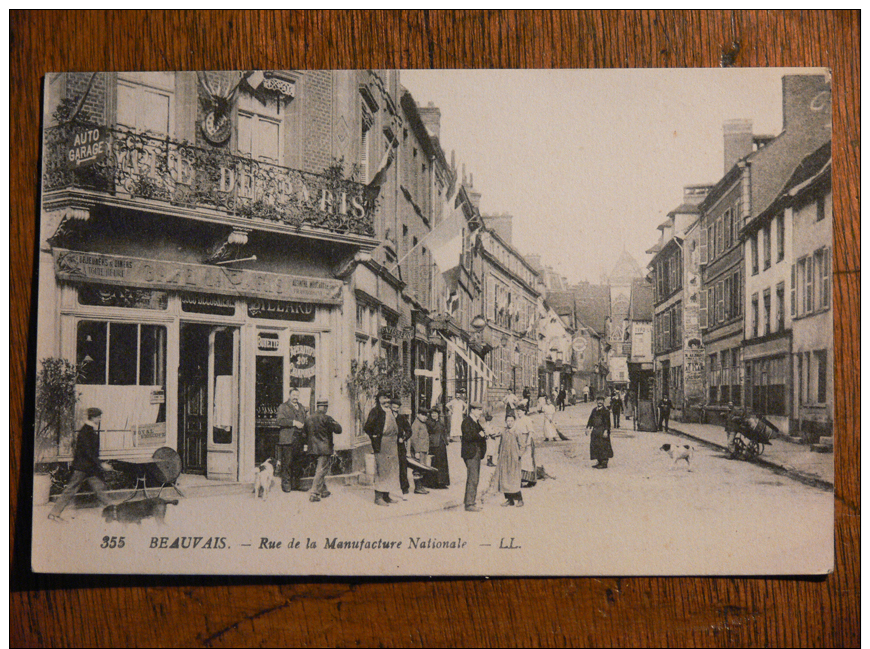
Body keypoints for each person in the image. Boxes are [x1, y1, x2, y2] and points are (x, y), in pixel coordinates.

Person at [48, 407, 115, 521]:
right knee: (71, 489)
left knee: (99, 488)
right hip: (83, 467)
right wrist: (101, 464)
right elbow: (88, 452)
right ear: (93, 417)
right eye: (98, 417)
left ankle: (114, 511)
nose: (100, 419)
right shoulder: (86, 431)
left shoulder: (90, 429)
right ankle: (54, 514)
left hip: (89, 467)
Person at [363, 391, 400, 506]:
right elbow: (367, 427)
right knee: (382, 470)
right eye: (384, 398)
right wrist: (374, 437)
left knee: (391, 470)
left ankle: (386, 495)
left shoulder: (390, 411)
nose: (387, 401)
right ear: (379, 399)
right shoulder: (376, 411)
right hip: (382, 444)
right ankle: (378, 497)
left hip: (392, 444)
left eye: (388, 398)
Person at [304, 399, 342, 502]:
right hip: (324, 449)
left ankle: (324, 491)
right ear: (325, 407)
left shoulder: (309, 418)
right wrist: (335, 422)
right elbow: (339, 430)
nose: (326, 409)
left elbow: (305, 433)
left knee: (320, 470)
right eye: (326, 407)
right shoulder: (327, 418)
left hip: (312, 449)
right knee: (321, 471)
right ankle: (314, 493)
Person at [275, 388, 308, 492]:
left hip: (299, 439)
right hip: (288, 439)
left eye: (297, 395)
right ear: (289, 396)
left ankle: (296, 485)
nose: (295, 397)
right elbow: (279, 421)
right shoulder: (283, 407)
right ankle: (286, 485)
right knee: (287, 463)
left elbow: (305, 420)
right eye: (293, 395)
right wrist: (294, 423)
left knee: (298, 463)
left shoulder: (302, 407)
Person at [461, 402, 487, 512]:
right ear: (472, 410)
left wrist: (486, 434)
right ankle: (469, 504)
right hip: (471, 453)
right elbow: (468, 436)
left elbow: (479, 433)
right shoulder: (467, 421)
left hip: (476, 452)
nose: (480, 412)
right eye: (479, 410)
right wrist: (480, 435)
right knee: (473, 478)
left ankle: (471, 501)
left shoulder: (475, 422)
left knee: (475, 478)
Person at [496, 413, 525, 507]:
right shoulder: (504, 432)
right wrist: (499, 455)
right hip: (504, 458)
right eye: (508, 421)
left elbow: (522, 446)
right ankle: (509, 499)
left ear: (514, 421)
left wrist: (518, 455)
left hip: (514, 459)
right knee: (505, 479)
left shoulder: (517, 432)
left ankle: (520, 499)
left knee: (513, 479)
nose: (509, 423)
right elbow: (500, 444)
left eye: (511, 421)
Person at [426, 408, 450, 489]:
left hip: (441, 444)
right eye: (432, 413)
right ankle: (434, 483)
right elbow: (430, 431)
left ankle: (442, 482)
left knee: (442, 463)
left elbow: (444, 431)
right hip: (433, 445)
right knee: (435, 463)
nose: (434, 415)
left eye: (435, 413)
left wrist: (446, 440)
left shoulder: (440, 422)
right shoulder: (429, 422)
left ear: (438, 414)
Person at [586, 397, 613, 469]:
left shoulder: (606, 411)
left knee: (603, 446)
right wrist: (588, 428)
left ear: (603, 402)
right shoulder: (594, 410)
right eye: (598, 401)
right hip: (595, 431)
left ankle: (604, 463)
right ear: (596, 402)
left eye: (601, 401)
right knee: (595, 446)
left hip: (602, 431)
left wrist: (606, 431)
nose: (599, 402)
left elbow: (608, 422)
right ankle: (599, 461)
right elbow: (590, 420)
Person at [392, 400, 412, 496]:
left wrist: (403, 438)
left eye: (397, 408)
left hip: (400, 446)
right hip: (389, 446)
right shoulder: (387, 417)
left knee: (403, 467)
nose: (395, 410)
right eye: (393, 408)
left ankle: (405, 489)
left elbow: (409, 431)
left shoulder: (402, 418)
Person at [409, 408, 431, 495]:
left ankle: (421, 487)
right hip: (419, 451)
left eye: (426, 415)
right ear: (418, 415)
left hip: (423, 450)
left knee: (422, 469)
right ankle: (418, 488)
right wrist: (417, 451)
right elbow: (414, 439)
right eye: (423, 415)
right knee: (417, 469)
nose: (425, 417)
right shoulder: (416, 424)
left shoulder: (423, 424)